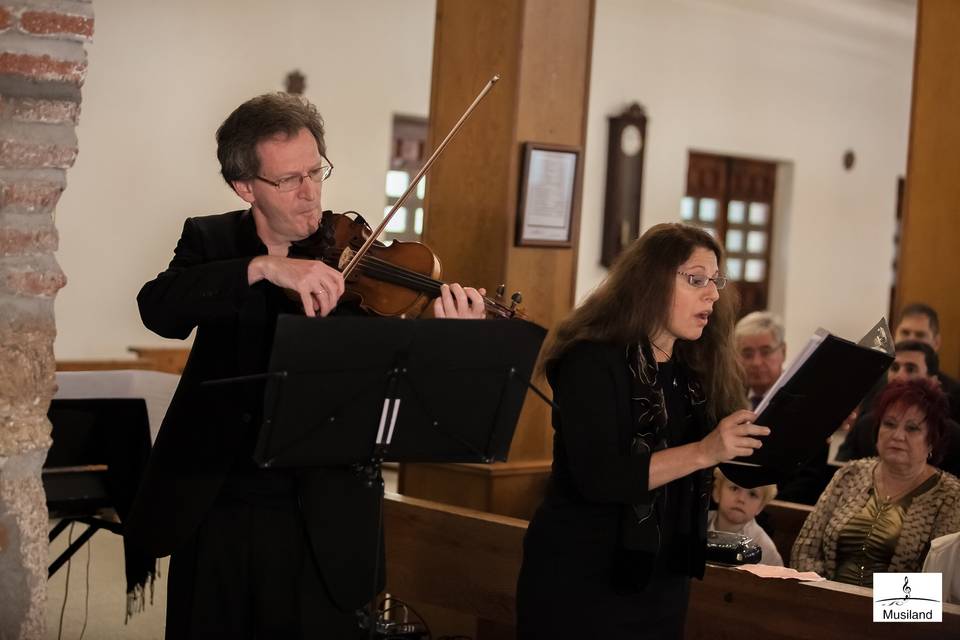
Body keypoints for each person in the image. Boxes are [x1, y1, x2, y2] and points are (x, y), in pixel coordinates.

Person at [124, 93, 485, 639]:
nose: (311, 192)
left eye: (316, 171)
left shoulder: (355, 258)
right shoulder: (212, 239)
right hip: (221, 505)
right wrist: (264, 268)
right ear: (245, 187)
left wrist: (448, 342)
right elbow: (160, 309)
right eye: (289, 179)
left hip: (327, 514)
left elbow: (399, 384)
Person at [516, 223, 768, 639]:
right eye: (696, 280)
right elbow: (600, 478)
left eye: (715, 281)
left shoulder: (697, 366)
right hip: (583, 577)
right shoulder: (591, 360)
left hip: (664, 576)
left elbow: (738, 459)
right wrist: (705, 451)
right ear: (649, 282)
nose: (713, 294)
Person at [792, 379, 960, 586]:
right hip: (825, 605)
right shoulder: (849, 474)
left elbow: (940, 583)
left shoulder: (951, 496)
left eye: (912, 428)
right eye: (889, 424)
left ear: (933, 439)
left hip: (900, 615)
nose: (897, 435)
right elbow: (805, 548)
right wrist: (825, 599)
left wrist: (869, 608)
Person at [838, 340, 960, 477]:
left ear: (933, 380)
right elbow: (841, 469)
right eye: (895, 368)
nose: (900, 376)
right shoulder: (866, 425)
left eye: (911, 369)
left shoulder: (953, 436)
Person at [709, 468, 783, 566]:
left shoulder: (765, 548)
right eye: (734, 488)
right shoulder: (692, 525)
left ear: (760, 507)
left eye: (752, 494)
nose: (741, 499)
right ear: (717, 492)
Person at [734, 311, 786, 409]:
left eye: (765, 352)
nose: (756, 362)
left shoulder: (799, 397)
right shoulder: (729, 400)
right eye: (747, 354)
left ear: (783, 352)